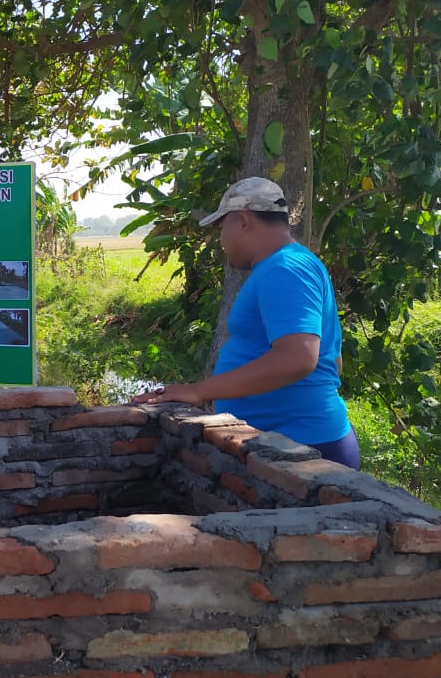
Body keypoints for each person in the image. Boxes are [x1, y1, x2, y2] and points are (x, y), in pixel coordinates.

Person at [133, 176, 359, 469]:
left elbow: (300, 358)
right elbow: (334, 361)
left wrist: (200, 391)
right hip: (294, 441)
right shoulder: (291, 263)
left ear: (242, 220)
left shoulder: (285, 268)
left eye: (221, 227)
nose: (221, 240)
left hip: (305, 447)